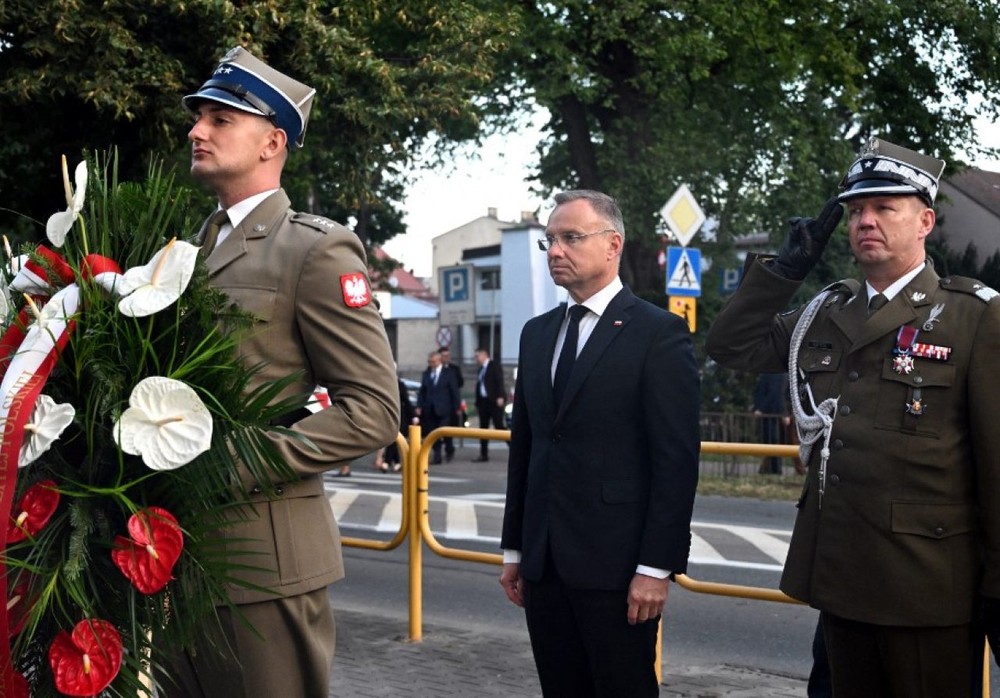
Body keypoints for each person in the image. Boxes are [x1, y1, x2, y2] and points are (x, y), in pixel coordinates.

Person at [705, 137, 1000, 696]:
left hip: (927, 589)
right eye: (856, 210)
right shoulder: (825, 311)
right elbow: (732, 345)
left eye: (885, 208)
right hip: (841, 577)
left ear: (925, 222)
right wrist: (784, 271)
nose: (866, 220)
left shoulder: (974, 318)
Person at [172, 46, 399, 697]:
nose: (197, 130)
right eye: (198, 118)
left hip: (263, 567)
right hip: (173, 555)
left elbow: (372, 409)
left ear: (273, 140)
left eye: (220, 118)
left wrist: (235, 462)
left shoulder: (315, 248)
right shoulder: (185, 251)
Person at [499, 190, 700, 697]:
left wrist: (656, 568)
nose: (554, 251)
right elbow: (527, 446)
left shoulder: (658, 334)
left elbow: (675, 463)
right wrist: (514, 548)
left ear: (613, 245)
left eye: (570, 238)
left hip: (618, 569)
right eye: (550, 240)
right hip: (545, 565)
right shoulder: (538, 334)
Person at [416, 350, 460, 465]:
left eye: (433, 362)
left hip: (444, 409)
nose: (431, 364)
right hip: (430, 409)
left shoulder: (449, 373)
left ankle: (449, 449)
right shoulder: (427, 373)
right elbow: (422, 391)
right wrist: (419, 406)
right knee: (433, 433)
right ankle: (437, 456)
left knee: (443, 432)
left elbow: (454, 391)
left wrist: (457, 407)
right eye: (429, 362)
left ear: (439, 361)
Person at [472, 346, 506, 462]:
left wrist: (500, 396)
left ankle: (516, 449)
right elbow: (479, 386)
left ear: (484, 355)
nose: (476, 358)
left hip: (494, 401)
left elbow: (499, 381)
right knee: (483, 428)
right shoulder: (480, 369)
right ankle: (483, 454)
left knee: (499, 426)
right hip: (483, 402)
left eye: (477, 356)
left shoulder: (493, 366)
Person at [752, 372, 787, 474]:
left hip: (770, 413)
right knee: (771, 441)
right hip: (772, 412)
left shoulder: (773, 374)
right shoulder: (774, 374)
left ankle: (774, 469)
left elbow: (774, 394)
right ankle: (769, 468)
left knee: (772, 440)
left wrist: (761, 409)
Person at [384, 371, 416, 472]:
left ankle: (387, 461)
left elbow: (406, 401)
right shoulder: (385, 384)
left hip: (400, 416)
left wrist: (413, 416)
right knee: (393, 439)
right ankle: (396, 462)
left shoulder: (399, 385)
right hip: (389, 415)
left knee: (394, 438)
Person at [439, 345, 463, 461]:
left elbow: (459, 384)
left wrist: (457, 406)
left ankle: (449, 450)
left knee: (448, 430)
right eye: (444, 356)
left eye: (448, 356)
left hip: (449, 405)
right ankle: (438, 453)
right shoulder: (435, 368)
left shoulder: (454, 369)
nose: (446, 358)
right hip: (438, 404)